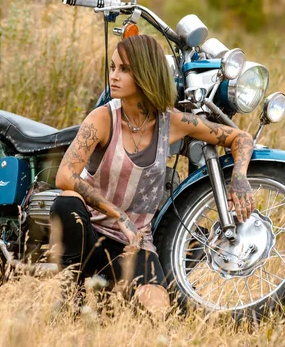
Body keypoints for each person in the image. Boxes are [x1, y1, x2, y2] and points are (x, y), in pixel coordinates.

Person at [51, 34, 255, 313]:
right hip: (90, 232)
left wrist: (239, 178)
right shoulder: (102, 118)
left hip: (134, 242)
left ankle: (110, 297)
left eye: (124, 69)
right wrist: (117, 214)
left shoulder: (171, 121)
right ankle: (69, 301)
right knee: (67, 202)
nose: (114, 76)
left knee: (158, 309)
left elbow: (240, 138)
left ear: (146, 73)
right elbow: (64, 175)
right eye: (112, 68)